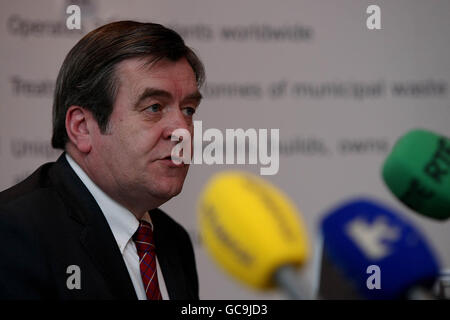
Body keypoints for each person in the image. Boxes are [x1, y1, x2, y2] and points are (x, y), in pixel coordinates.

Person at [0, 20, 205, 300]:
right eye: (154, 107)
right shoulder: (12, 232)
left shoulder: (173, 240)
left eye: (189, 110)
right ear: (82, 127)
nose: (182, 130)